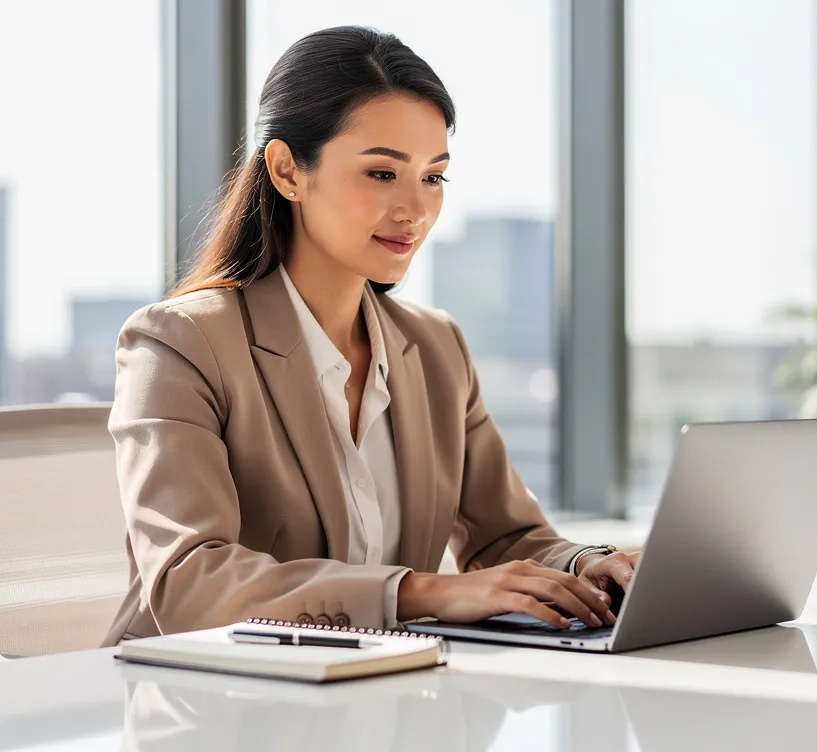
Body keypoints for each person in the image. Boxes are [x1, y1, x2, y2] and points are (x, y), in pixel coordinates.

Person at [103, 25, 639, 645]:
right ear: (286, 172)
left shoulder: (437, 348)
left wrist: (585, 565)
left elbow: (505, 539)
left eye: (433, 177)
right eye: (382, 173)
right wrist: (418, 591)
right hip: (198, 705)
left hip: (375, 701)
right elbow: (190, 583)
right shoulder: (179, 344)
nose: (414, 209)